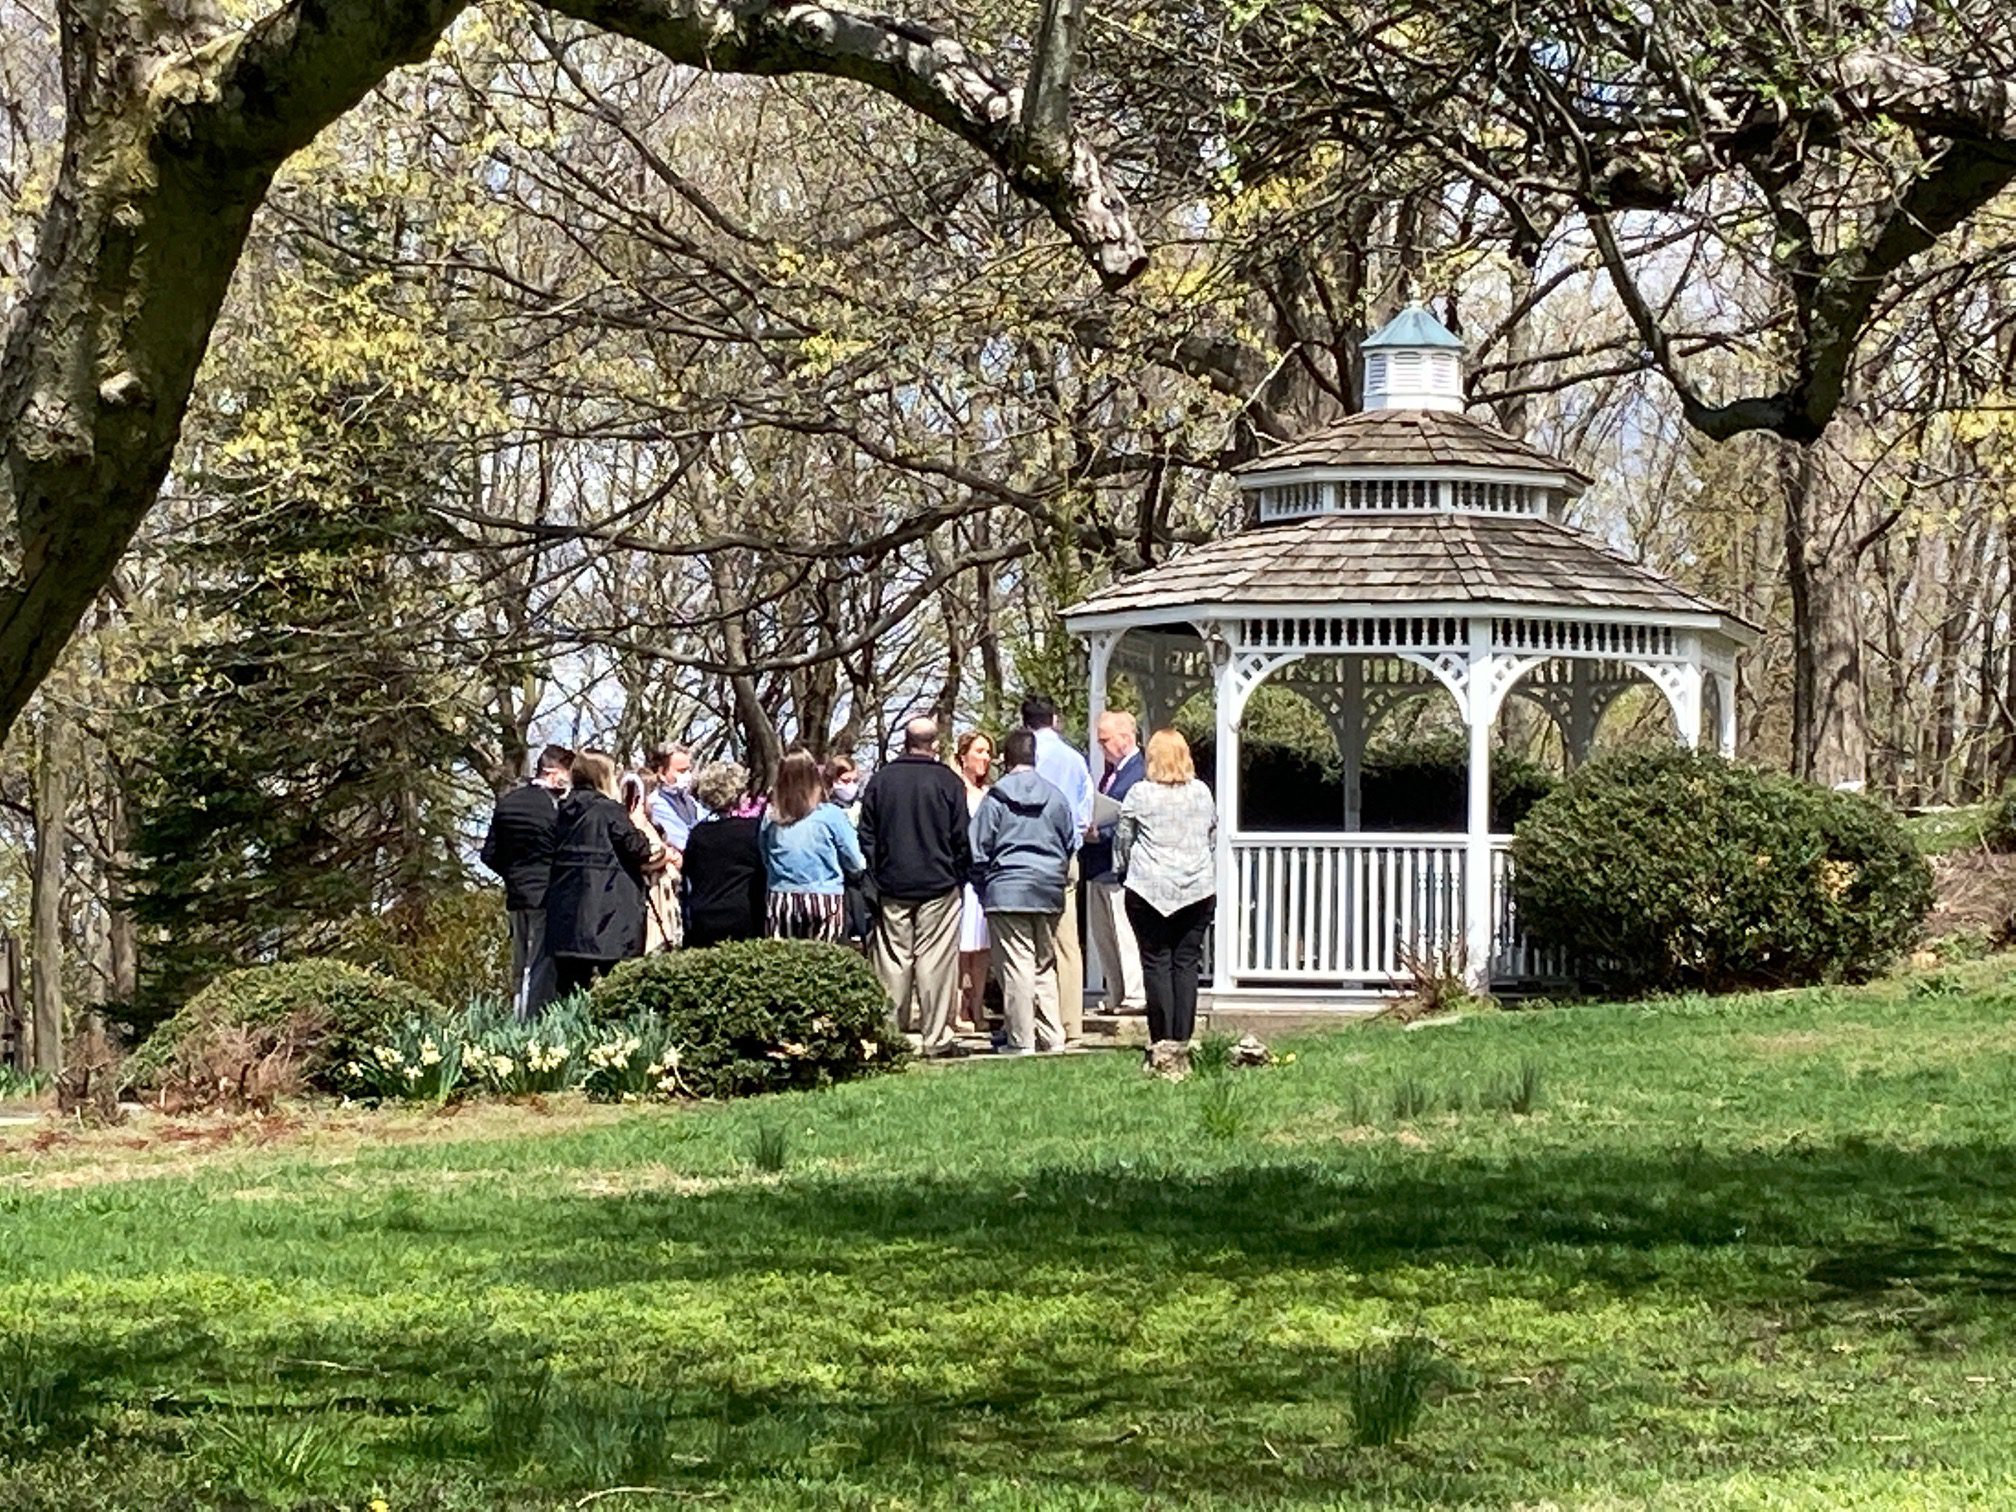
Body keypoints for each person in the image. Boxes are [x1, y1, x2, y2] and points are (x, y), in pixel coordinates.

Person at [857, 717, 971, 1056]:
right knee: (935, 962)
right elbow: (961, 836)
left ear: (904, 742)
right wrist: (959, 873)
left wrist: (877, 871)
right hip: (939, 883)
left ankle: (890, 1036)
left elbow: (866, 835)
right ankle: (936, 1038)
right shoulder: (948, 782)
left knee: (893, 961)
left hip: (892, 884)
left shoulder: (881, 781)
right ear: (935, 745)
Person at [969, 726, 1078, 1055]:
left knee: (1016, 966)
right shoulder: (1056, 797)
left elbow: (977, 847)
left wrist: (984, 887)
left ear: (1006, 759)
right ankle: (1052, 1036)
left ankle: (1020, 1040)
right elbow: (1069, 842)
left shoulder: (996, 798)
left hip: (1006, 889)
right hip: (1048, 891)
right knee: (1043, 966)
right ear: (1035, 757)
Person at [1114, 728, 1218, 1050]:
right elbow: (1211, 836)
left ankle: (1161, 1040)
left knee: (1156, 961)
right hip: (1197, 889)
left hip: (1149, 889)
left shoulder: (1139, 794)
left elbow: (1123, 841)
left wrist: (1123, 871)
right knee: (1187, 963)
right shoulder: (1201, 792)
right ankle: (1183, 1038)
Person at [545, 750, 655, 997]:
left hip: (567, 916)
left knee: (569, 991)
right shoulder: (609, 811)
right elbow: (639, 849)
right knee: (620, 989)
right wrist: (637, 821)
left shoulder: (560, 811)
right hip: (610, 912)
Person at [478, 742, 573, 1020]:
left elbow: (489, 854)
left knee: (520, 966)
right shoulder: (555, 808)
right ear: (555, 773)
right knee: (540, 964)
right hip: (546, 894)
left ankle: (516, 1020)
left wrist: (513, 875)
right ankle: (530, 1025)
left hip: (516, 895)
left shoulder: (508, 802)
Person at [1023, 694, 1093, 1043]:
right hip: (1064, 856)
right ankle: (1070, 1022)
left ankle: (1030, 1022)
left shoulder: (1021, 757)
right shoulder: (1075, 760)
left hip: (1023, 857)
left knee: (1027, 943)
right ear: (1054, 719)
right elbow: (1085, 814)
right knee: (1067, 943)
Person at [759, 748, 866, 941]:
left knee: (782, 964)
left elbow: (764, 855)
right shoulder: (831, 815)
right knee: (824, 961)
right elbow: (856, 862)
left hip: (782, 897)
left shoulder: (772, 817)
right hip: (825, 897)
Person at [1083, 710, 1147, 1019]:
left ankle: (1134, 994)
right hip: (1098, 864)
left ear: (1125, 736)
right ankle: (1115, 993)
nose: (1101, 746)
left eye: (1105, 740)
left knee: (1125, 932)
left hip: (1122, 867)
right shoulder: (1110, 773)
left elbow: (1133, 817)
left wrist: (1103, 830)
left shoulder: (1140, 770)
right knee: (1104, 935)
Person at [681, 761, 767, 947]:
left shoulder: (698, 834)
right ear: (738, 794)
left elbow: (690, 873)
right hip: (744, 917)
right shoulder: (753, 831)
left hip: (703, 917)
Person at [952, 730, 995, 1033]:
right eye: (979, 751)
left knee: (981, 949)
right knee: (959, 949)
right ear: (963, 755)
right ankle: (956, 1009)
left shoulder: (992, 794)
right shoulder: (955, 791)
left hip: (985, 880)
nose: (985, 758)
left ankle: (977, 1006)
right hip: (960, 879)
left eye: (988, 752)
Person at [621, 770, 681, 952]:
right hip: (650, 896)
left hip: (663, 895)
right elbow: (646, 855)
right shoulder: (634, 821)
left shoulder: (648, 822)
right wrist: (666, 855)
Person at [823, 752, 870, 946]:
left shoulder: (861, 807)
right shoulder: (826, 810)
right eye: (845, 780)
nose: (850, 786)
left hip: (858, 876)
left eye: (854, 780)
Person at [645, 742, 701, 856]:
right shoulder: (656, 804)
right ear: (661, 772)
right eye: (681, 771)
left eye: (689, 770)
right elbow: (681, 842)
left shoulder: (688, 799)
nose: (688, 776)